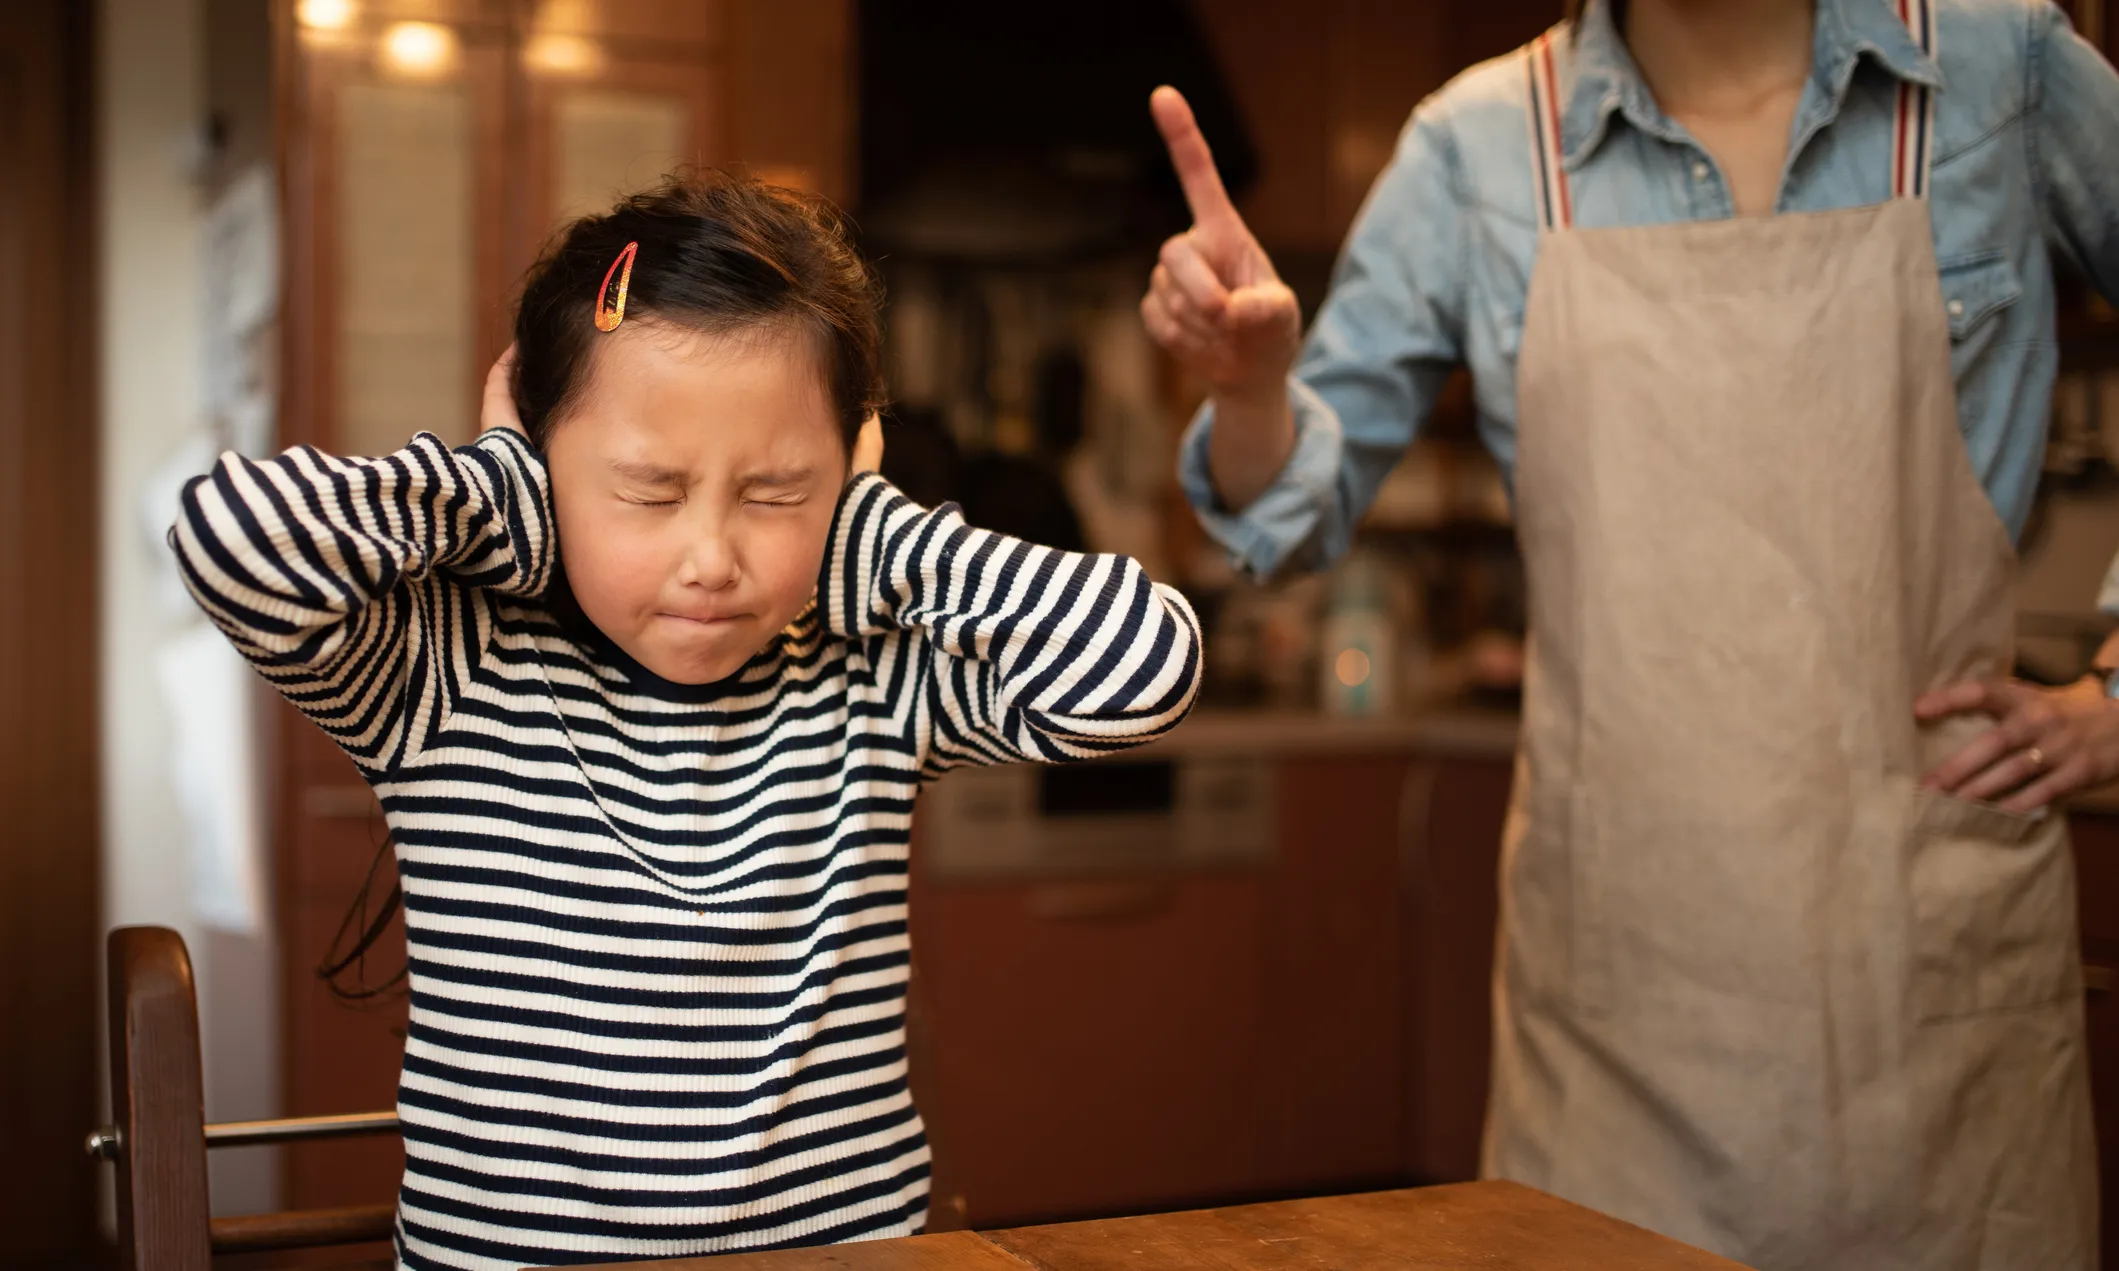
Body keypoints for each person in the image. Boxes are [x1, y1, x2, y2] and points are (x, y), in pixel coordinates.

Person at [1141, 0, 2119, 1264]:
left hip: (1931, 991)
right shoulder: (1476, 146)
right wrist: (1254, 388)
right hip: (1618, 1001)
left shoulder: (2005, 70)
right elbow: (1289, 512)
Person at [173, 174, 1202, 1269]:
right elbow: (231, 539)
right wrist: (496, 492)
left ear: (850, 468)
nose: (711, 559)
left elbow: (1143, 665)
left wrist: (863, 535)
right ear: (536, 452)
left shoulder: (866, 679)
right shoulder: (450, 670)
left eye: (774, 493)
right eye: (651, 493)